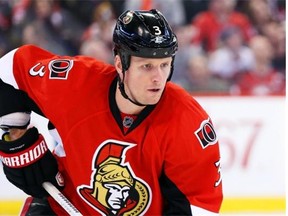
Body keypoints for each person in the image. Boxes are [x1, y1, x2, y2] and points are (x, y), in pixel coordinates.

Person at [0, 9, 223, 215]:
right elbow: (9, 71)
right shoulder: (76, 84)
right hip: (61, 208)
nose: (158, 78)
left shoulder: (188, 123)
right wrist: (16, 141)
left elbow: (198, 207)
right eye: (146, 66)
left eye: (164, 65)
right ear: (120, 63)